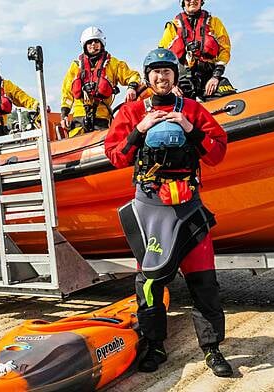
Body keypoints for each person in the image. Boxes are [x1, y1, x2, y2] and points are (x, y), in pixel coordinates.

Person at [104, 48, 233, 377]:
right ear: (147, 77)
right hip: (151, 210)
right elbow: (116, 156)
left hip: (188, 208)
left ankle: (212, 348)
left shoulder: (192, 109)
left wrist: (190, 128)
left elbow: (217, 152)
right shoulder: (132, 112)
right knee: (149, 283)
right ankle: (154, 345)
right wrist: (140, 129)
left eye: (168, 72)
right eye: (156, 72)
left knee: (204, 283)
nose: (162, 78)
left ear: (176, 75)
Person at [60, 26, 142, 138]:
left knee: (105, 144)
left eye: (96, 41)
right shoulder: (75, 66)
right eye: (89, 42)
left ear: (102, 44)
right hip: (79, 119)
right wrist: (64, 114)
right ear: (84, 46)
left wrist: (132, 87)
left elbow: (133, 76)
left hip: (102, 118)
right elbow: (67, 93)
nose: (93, 44)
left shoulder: (113, 64)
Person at [158, 0, 232, 101]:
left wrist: (216, 77)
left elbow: (225, 50)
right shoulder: (172, 27)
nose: (192, 1)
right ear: (183, 2)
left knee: (228, 96)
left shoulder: (214, 22)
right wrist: (172, 86)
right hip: (181, 80)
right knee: (171, 102)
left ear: (201, 1)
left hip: (209, 76)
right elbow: (162, 57)